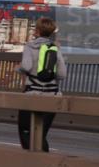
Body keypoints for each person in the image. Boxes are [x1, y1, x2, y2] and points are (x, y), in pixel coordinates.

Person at [16, 17, 66, 152]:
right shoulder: (55, 48)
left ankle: (32, 164)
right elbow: (62, 74)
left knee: (26, 131)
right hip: (52, 95)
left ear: (37, 31)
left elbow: (26, 67)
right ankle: (45, 161)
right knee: (41, 135)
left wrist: (18, 68)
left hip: (32, 94)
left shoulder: (29, 46)